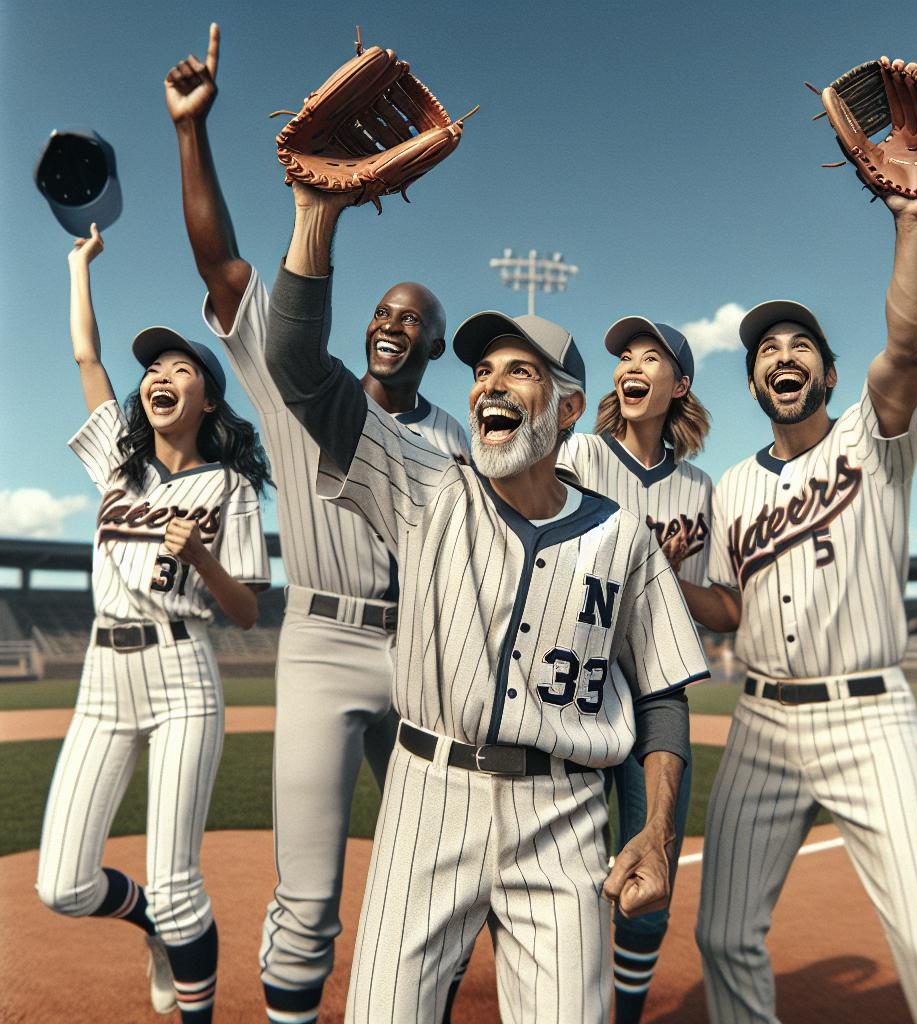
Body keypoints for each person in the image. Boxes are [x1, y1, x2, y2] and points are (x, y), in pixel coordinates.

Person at [263, 182, 709, 1024]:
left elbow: (662, 701)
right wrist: (315, 218)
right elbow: (299, 370)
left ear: (569, 409)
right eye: (481, 370)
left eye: (521, 371)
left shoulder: (626, 537)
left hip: (564, 816)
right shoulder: (427, 484)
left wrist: (653, 835)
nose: (490, 385)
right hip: (429, 797)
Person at [165, 25, 469, 1024]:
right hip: (326, 643)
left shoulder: (457, 436)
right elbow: (222, 264)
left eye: (411, 316)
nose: (392, 320)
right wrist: (191, 134)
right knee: (309, 900)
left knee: (444, 882)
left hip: (426, 648)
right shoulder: (304, 384)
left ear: (431, 342)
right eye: (381, 307)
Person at [684, 178, 917, 1021]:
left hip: (868, 719)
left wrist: (912, 221)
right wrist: (674, 584)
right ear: (753, 382)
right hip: (762, 722)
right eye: (764, 351)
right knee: (722, 936)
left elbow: (907, 345)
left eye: (798, 345)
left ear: (826, 369)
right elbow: (729, 606)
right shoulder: (734, 486)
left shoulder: (875, 437)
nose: (781, 356)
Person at [36, 224, 271, 1024]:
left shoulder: (230, 487)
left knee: (179, 883)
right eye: (154, 370)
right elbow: (86, 359)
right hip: (103, 677)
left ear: (207, 397)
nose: (159, 377)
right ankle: (154, 932)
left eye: (180, 368)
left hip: (182, 675)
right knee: (62, 885)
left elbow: (244, 613)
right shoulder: (117, 464)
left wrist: (204, 561)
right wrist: (78, 268)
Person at [554, 316, 711, 1022]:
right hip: (577, 688)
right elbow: (543, 548)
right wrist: (642, 563)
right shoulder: (581, 453)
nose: (632, 365)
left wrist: (670, 576)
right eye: (625, 356)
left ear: (678, 385)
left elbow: (718, 609)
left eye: (652, 357)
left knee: (649, 883)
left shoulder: (698, 487)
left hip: (654, 689)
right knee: (568, 880)